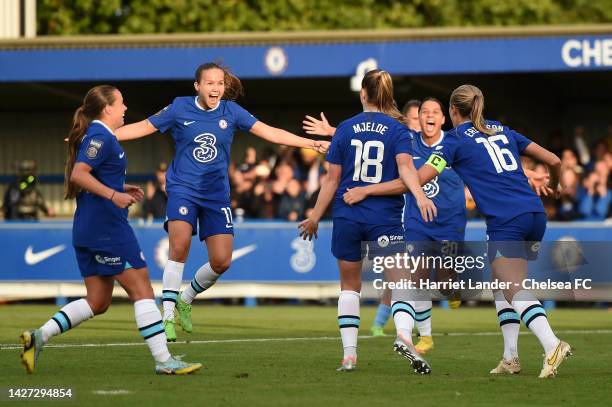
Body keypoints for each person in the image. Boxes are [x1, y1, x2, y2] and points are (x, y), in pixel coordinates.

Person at [347, 84, 569, 378]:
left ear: (452, 111)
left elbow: (415, 180)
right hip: (534, 214)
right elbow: (554, 160)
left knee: (512, 285)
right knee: (503, 286)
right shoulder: (502, 130)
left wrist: (367, 190)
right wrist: (554, 186)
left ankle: (552, 344)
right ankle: (510, 357)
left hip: (507, 220)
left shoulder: (453, 142)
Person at [114, 62, 329, 341]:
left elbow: (270, 132)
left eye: (220, 83)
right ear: (197, 86)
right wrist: (100, 134)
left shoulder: (232, 111)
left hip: (216, 194)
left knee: (222, 261)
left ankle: (186, 298)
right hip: (183, 188)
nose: (215, 88)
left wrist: (310, 143)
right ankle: (166, 315)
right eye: (210, 83)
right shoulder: (179, 107)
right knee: (179, 246)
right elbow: (143, 127)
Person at [19, 85, 201, 375]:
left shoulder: (101, 136)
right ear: (108, 109)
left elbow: (90, 175)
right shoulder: (101, 135)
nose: (126, 108)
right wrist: (114, 195)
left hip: (88, 229)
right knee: (142, 290)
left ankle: (39, 337)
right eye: (122, 103)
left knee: (98, 300)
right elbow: (80, 174)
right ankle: (164, 360)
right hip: (108, 229)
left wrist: (118, 187)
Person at [299, 69, 437, 374]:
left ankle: (349, 356)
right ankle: (403, 334)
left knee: (350, 287)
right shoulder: (398, 129)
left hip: (347, 214)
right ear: (387, 96)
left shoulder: (345, 129)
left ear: (363, 93)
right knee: (401, 281)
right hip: (383, 217)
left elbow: (331, 180)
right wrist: (420, 195)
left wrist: (314, 217)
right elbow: (406, 169)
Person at [304, 98, 463, 354]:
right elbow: (376, 139)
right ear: (418, 118)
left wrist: (530, 175)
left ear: (443, 118)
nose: (429, 116)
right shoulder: (408, 140)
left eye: (435, 112)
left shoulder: (453, 147)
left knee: (444, 281)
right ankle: (425, 336)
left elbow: (482, 166)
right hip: (417, 219)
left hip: (449, 222)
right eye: (424, 112)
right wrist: (335, 132)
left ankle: (450, 287)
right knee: (416, 277)